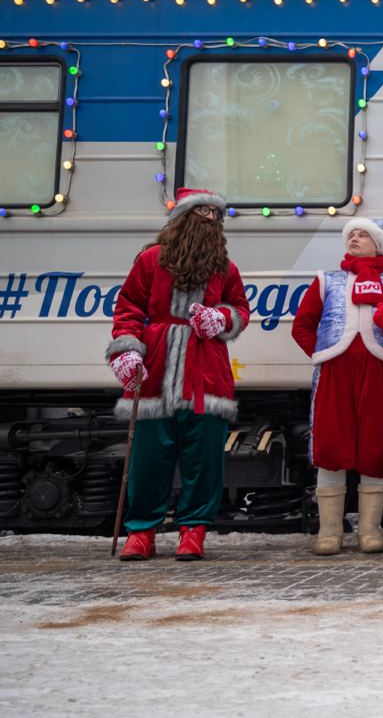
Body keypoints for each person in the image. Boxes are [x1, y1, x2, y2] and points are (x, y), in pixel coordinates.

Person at [106, 187, 251, 561]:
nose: (211, 222)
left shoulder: (225, 269)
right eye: (204, 214)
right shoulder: (150, 261)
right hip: (155, 368)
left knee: (203, 457)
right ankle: (141, 532)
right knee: (149, 455)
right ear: (184, 219)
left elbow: (239, 308)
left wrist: (221, 318)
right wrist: (127, 351)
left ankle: (194, 530)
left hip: (206, 371)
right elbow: (129, 308)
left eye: (216, 217)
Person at [291, 218, 383, 555]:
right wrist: (323, 353)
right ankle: (329, 531)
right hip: (334, 372)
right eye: (351, 234)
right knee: (330, 446)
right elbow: (302, 326)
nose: (354, 238)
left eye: (362, 234)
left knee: (375, 448)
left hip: (378, 372)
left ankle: (369, 530)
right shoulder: (326, 281)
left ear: (379, 245)